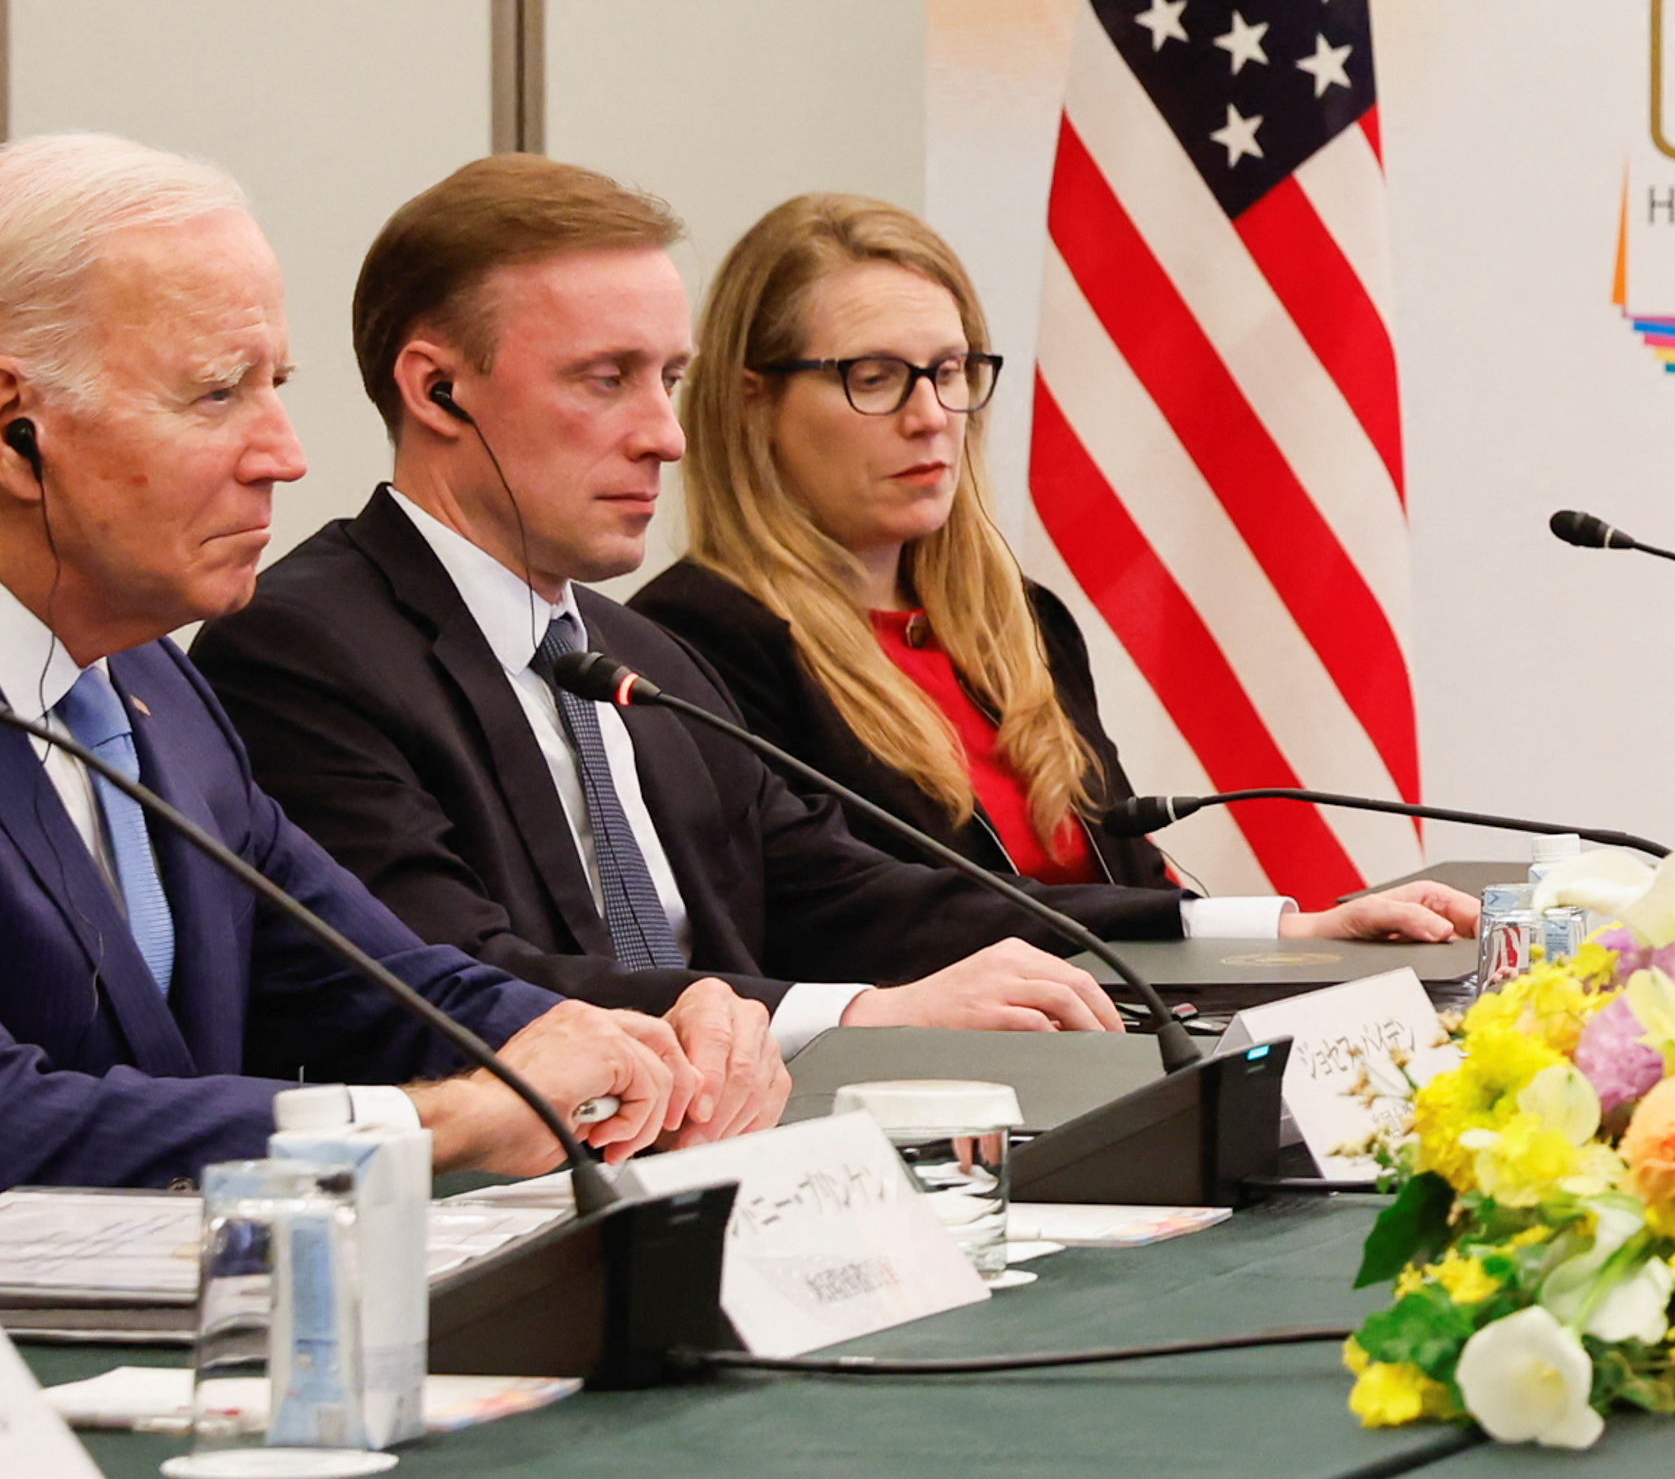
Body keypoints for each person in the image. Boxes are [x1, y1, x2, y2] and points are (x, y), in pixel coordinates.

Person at [0, 138, 709, 1343]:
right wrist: (434, 1127)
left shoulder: (146, 685)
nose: (285, 452)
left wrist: (594, 1038)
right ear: (16, 425)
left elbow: (368, 978)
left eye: (276, 384)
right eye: (219, 393)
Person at [196, 159, 1139, 1060]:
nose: (667, 437)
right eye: (606, 380)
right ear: (439, 390)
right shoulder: (299, 649)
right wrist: (863, 1014)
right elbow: (453, 974)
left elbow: (842, 890)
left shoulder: (643, 655)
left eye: (670, 380)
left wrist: (1225, 933)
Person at [628, 193, 1470, 950]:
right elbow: (862, 913)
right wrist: (1279, 925)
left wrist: (1299, 938)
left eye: (950, 372)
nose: (930, 418)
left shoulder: (1017, 620)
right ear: (752, 402)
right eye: (874, 378)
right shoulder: (697, 642)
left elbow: (1132, 879)